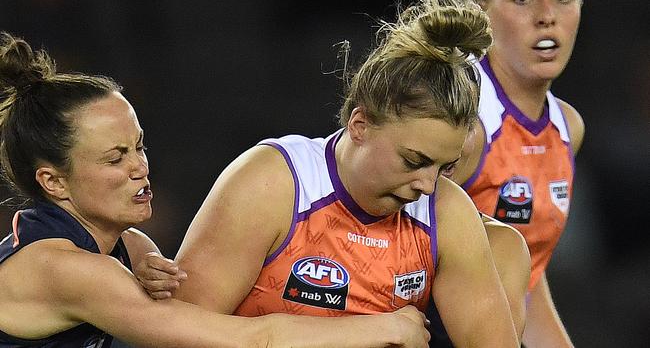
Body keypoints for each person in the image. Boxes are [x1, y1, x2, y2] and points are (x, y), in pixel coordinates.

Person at [0, 32, 432, 348]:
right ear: (53, 181)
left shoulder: (129, 246)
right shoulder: (66, 268)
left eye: (139, 146)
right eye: (115, 158)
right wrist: (383, 327)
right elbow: (249, 341)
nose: (140, 168)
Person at [163, 0, 520, 347]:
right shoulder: (274, 183)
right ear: (359, 125)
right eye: (415, 161)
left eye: (445, 168)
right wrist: (367, 332)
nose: (427, 185)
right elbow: (175, 336)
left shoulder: (445, 213)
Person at [441, 0, 584, 347]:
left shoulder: (568, 127)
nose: (547, 17)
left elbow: (528, 281)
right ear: (479, 8)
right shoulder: (461, 124)